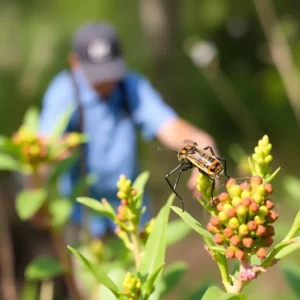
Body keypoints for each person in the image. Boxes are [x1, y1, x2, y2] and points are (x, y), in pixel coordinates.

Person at [39, 22, 218, 237]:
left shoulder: (130, 85)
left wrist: (200, 148)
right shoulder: (64, 91)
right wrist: (40, 185)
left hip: (134, 213)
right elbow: (42, 149)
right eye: (97, 75)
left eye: (110, 72)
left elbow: (171, 129)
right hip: (81, 220)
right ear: (74, 63)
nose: (106, 82)